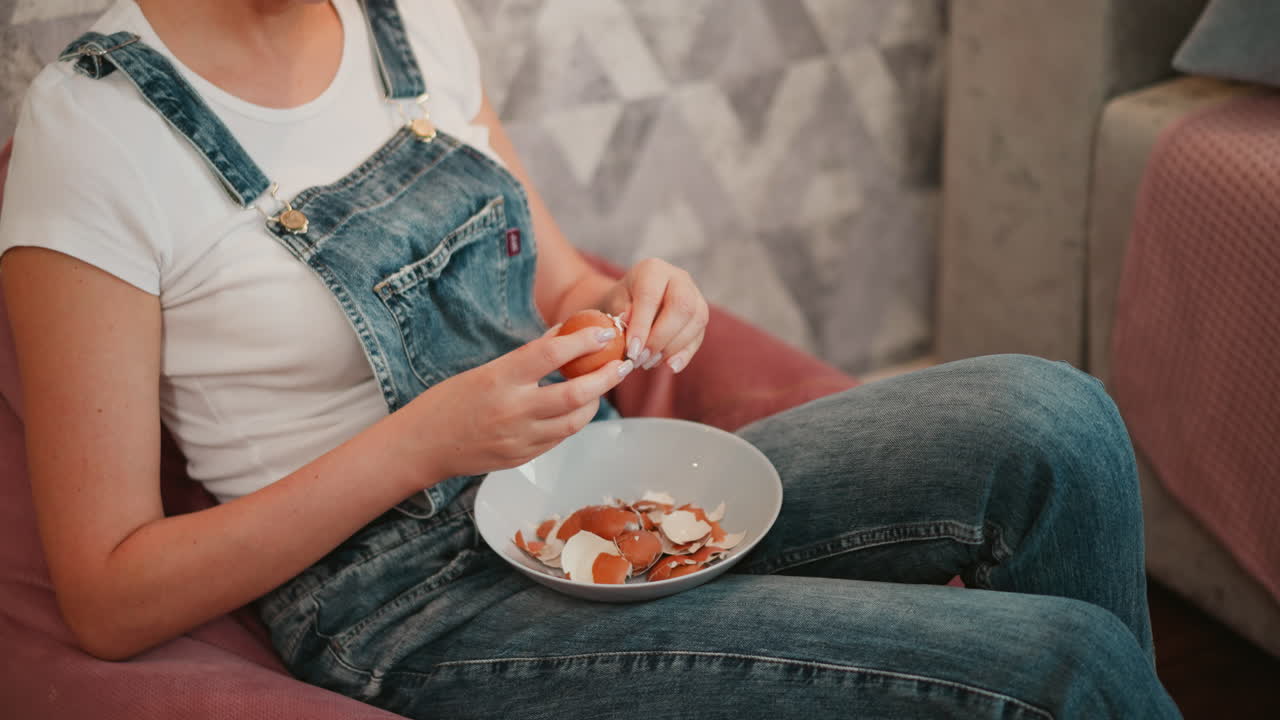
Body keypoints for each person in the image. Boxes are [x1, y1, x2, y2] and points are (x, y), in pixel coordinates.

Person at [0, 1, 1180, 717]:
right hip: (402, 609)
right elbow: (105, 596)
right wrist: (425, 444)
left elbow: (559, 285)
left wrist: (632, 301)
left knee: (1055, 417)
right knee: (1059, 671)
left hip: (581, 493)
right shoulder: (94, 132)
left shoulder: (408, 23)